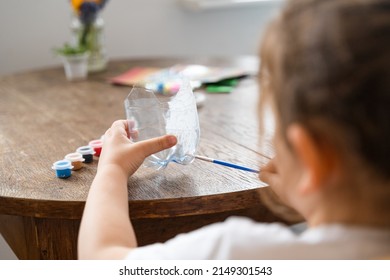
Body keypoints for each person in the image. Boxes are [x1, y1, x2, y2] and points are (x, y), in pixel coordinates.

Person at [78, 0, 390, 259]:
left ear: (316, 156)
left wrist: (113, 169)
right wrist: (318, 198)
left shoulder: (236, 253)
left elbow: (102, 260)